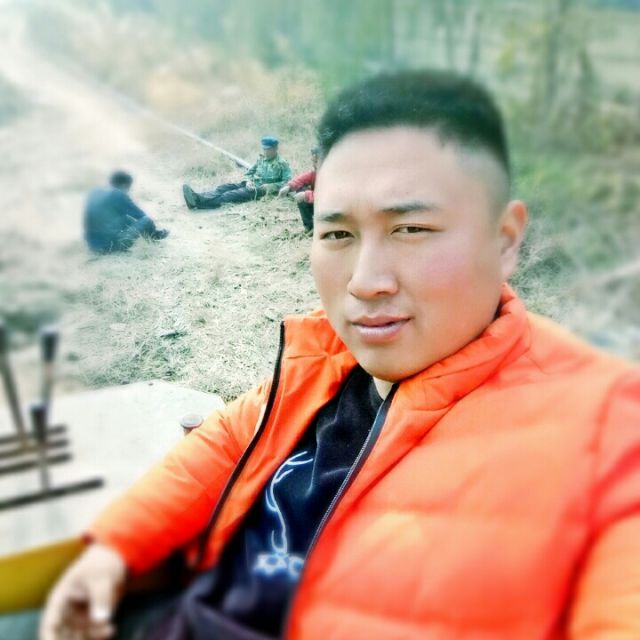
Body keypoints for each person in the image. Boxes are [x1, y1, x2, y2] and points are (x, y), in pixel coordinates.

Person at [39, 70, 640, 640]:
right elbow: (228, 442)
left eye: (410, 229)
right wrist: (114, 549)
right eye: (337, 234)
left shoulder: (608, 438)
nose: (364, 282)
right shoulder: (326, 362)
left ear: (503, 241)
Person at [182, 136, 291, 211]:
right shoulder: (261, 159)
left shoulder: (282, 163)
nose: (265, 152)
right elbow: (249, 173)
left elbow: (287, 182)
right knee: (223, 188)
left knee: (229, 195)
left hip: (259, 191)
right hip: (250, 185)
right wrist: (248, 181)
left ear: (275, 148)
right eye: (264, 149)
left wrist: (270, 186)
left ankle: (198, 203)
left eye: (268, 149)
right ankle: (197, 197)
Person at [83, 171, 169, 253]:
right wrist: (151, 229)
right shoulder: (118, 194)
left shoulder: (95, 193)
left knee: (123, 217)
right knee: (147, 220)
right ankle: (154, 235)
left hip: (93, 246)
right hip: (112, 247)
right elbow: (140, 215)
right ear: (124, 185)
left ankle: (151, 235)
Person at [278, 146, 318, 232]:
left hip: (333, 210)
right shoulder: (317, 172)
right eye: (313, 161)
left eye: (316, 162)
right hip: (321, 206)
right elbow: (302, 178)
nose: (313, 165)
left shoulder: (334, 174)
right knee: (301, 188)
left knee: (303, 194)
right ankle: (310, 227)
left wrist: (306, 195)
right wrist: (289, 186)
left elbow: (330, 197)